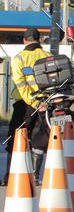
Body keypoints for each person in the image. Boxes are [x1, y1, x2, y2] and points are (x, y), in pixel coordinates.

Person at [2, 27, 50, 185]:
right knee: (39, 139)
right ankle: (34, 176)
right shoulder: (48, 56)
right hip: (44, 104)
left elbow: (20, 84)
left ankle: (9, 176)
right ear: (39, 39)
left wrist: (33, 102)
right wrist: (42, 102)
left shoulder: (19, 58)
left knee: (15, 138)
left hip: (24, 105)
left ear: (24, 40)